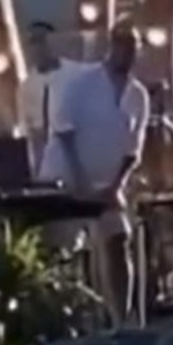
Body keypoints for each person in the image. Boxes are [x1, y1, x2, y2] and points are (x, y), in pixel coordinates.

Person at [41, 20, 150, 324]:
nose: (127, 54)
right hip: (68, 174)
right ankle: (61, 319)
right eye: (122, 46)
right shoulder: (82, 83)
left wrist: (116, 185)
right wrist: (80, 181)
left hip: (107, 182)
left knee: (118, 239)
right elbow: (63, 130)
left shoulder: (138, 96)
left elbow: (133, 149)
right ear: (111, 47)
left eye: (133, 48)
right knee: (63, 250)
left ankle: (120, 318)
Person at [16, 20, 84, 178]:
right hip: (45, 163)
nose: (38, 48)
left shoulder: (75, 75)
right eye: (32, 42)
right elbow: (29, 130)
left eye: (42, 40)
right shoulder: (26, 87)